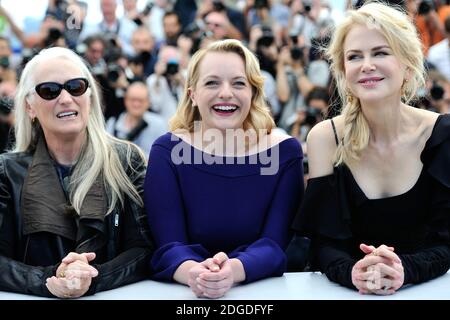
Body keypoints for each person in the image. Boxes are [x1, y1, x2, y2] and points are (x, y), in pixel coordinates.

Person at [293, 2, 450, 295]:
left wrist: (405, 269)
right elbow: (323, 244)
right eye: (354, 57)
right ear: (343, 70)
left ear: (407, 64)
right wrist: (353, 272)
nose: (367, 65)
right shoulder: (324, 138)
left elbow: (447, 242)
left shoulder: (443, 134)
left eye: (380, 52)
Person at [144, 39, 304, 299]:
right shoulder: (167, 151)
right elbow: (168, 245)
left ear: (252, 92)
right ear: (192, 93)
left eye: (238, 83)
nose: (226, 93)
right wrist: (195, 273)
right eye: (212, 82)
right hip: (184, 295)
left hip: (261, 295)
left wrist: (232, 271)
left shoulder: (285, 152)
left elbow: (275, 244)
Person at [0, 47, 153, 298]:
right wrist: (50, 278)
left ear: (89, 97)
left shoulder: (128, 160)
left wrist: (91, 278)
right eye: (49, 90)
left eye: (76, 87)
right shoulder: (6, 172)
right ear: (30, 107)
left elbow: (144, 248)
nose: (65, 98)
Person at [106, 81, 168, 158]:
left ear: (148, 102)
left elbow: (164, 155)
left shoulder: (159, 124)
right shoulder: (113, 123)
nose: (136, 104)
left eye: (141, 100)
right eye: (133, 99)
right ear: (125, 100)